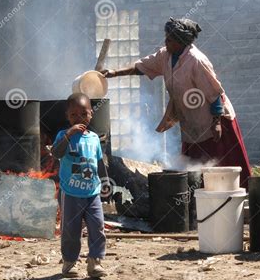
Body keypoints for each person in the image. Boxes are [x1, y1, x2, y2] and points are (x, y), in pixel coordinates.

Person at [101, 17, 251, 188]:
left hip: (213, 118)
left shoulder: (196, 60)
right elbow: (142, 67)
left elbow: (214, 92)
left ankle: (235, 197)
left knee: (220, 163)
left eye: (170, 39)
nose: (166, 41)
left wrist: (217, 123)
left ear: (181, 41)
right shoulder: (165, 55)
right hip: (191, 120)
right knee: (195, 165)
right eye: (166, 37)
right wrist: (114, 73)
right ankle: (197, 199)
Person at [52, 93, 107, 278]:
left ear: (91, 114)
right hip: (71, 193)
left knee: (97, 226)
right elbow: (56, 153)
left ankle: (95, 263)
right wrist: (68, 135)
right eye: (74, 115)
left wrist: (105, 183)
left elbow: (99, 163)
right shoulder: (63, 136)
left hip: (92, 193)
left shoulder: (93, 139)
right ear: (68, 116)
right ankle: (69, 263)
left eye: (83, 114)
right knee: (70, 230)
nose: (79, 118)